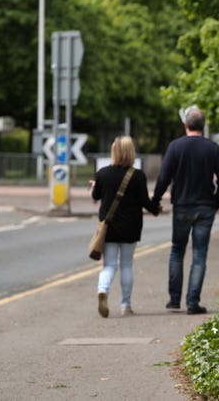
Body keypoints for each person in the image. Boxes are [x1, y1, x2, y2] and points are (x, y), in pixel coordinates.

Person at [152, 105, 219, 315]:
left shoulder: (175, 147)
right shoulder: (212, 148)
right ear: (203, 126)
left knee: (177, 250)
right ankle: (193, 302)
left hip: (182, 206)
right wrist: (216, 203)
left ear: (185, 125)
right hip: (205, 206)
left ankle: (174, 300)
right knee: (199, 254)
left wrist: (155, 201)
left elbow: (163, 177)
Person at [91, 136, 160, 318]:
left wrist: (95, 186)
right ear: (131, 153)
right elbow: (145, 201)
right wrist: (156, 209)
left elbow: (96, 195)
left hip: (109, 226)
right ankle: (125, 305)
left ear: (114, 152)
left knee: (109, 265)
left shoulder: (102, 173)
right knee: (127, 265)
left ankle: (102, 290)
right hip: (131, 226)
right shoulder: (137, 176)